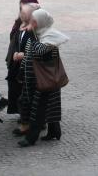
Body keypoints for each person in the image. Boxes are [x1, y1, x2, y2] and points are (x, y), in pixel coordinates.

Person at [18, 8, 68, 147]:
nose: (31, 23)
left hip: (46, 80)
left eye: (34, 21)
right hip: (40, 80)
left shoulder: (50, 37)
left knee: (38, 110)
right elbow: (28, 54)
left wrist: (31, 35)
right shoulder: (37, 34)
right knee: (50, 106)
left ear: (40, 22)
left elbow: (40, 51)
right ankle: (54, 132)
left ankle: (30, 138)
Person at [7, 0, 40, 131]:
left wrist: (24, 55)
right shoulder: (19, 24)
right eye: (20, 9)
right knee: (21, 94)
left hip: (32, 69)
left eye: (24, 10)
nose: (21, 13)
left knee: (29, 96)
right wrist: (14, 53)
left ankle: (31, 123)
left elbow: (40, 48)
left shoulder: (37, 27)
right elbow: (15, 40)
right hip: (18, 66)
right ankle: (25, 119)